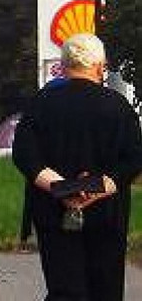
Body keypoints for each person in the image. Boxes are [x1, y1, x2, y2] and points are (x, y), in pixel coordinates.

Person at [12, 33, 142, 301]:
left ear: (65, 65)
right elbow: (133, 158)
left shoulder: (40, 104)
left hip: (52, 209)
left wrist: (61, 187)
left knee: (64, 289)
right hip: (106, 213)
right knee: (105, 288)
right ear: (99, 66)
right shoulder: (118, 107)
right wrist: (98, 186)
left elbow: (24, 155)